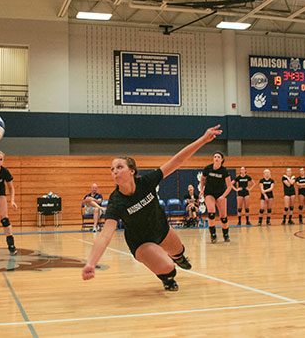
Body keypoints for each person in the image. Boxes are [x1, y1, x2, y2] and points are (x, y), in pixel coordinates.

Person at [82, 125, 222, 291]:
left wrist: (203, 139)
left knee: (179, 251)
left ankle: (178, 256)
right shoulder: (116, 201)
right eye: (112, 169)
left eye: (119, 167)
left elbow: (177, 160)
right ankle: (167, 278)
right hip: (141, 243)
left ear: (132, 171)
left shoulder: (147, 182)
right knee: (169, 267)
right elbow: (105, 235)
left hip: (161, 229)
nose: (115, 172)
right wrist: (91, 262)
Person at [199, 151, 233, 243]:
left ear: (222, 160)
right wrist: (202, 190)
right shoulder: (208, 168)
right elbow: (202, 178)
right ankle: (213, 234)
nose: (216, 158)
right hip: (209, 193)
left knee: (223, 217)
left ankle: (225, 234)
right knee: (211, 212)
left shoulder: (224, 171)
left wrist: (223, 196)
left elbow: (229, 186)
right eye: (215, 157)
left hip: (220, 194)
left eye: (218, 157)